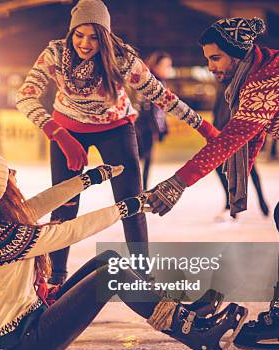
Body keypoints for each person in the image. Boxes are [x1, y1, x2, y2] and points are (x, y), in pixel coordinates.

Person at [146, 17, 279, 350]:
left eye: (215, 58)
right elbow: (250, 137)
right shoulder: (261, 67)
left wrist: (178, 183)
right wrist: (240, 186)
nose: (210, 67)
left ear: (237, 54)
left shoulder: (263, 80)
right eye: (208, 59)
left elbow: (231, 140)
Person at [0, 154, 247, 350]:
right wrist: (128, 207)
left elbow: (40, 203)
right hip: (31, 341)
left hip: (33, 322)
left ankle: (187, 312)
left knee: (108, 260)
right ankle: (195, 333)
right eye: (8, 173)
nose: (15, 174)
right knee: (111, 274)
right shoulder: (4, 236)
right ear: (2, 189)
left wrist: (89, 179)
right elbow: (71, 231)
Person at [15, 0, 219, 285]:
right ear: (71, 32)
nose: (85, 43)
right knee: (64, 206)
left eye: (94, 36)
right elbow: (24, 96)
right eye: (79, 34)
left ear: (105, 36)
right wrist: (58, 133)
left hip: (115, 128)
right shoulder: (54, 54)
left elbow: (162, 96)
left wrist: (203, 126)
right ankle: (55, 278)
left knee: (131, 203)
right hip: (67, 129)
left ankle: (142, 276)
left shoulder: (123, 60)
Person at [212, 83, 269, 220]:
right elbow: (217, 111)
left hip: (237, 133)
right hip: (222, 133)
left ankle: (260, 201)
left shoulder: (240, 83)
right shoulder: (222, 86)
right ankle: (231, 204)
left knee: (248, 168)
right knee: (221, 168)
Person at [134, 51, 171, 190]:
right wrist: (158, 128)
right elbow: (150, 108)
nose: (168, 69)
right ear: (156, 66)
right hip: (143, 126)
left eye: (169, 66)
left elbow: (160, 111)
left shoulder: (160, 82)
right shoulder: (152, 82)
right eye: (165, 66)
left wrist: (162, 128)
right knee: (141, 158)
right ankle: (138, 188)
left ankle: (141, 188)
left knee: (146, 159)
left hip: (148, 126)